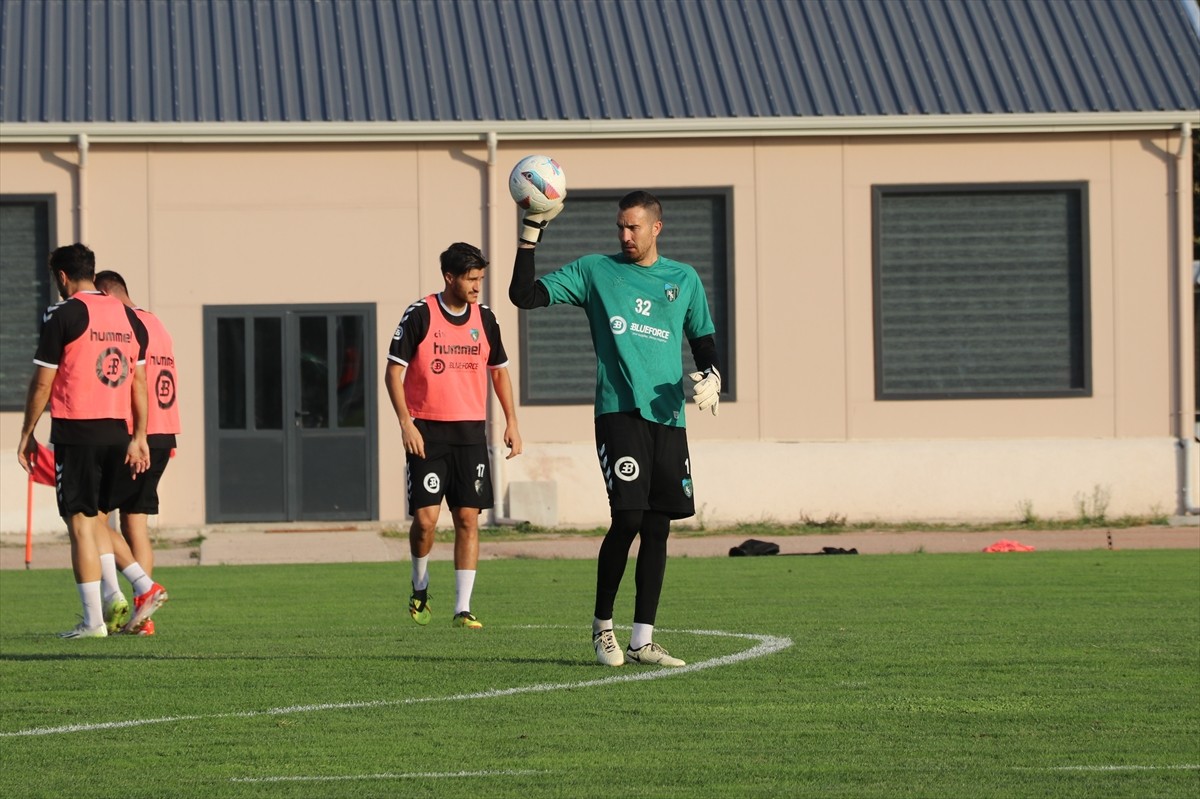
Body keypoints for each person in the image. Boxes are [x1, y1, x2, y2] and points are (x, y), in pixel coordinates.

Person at [509, 190, 721, 668]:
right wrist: (530, 234)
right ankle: (603, 627)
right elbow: (523, 296)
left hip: (667, 416)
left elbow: (702, 338)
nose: (625, 236)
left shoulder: (683, 278)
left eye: (634, 228)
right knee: (627, 518)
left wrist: (713, 374)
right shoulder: (593, 272)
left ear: (656, 228)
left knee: (658, 527)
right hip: (618, 413)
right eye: (620, 228)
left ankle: (642, 640)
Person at [16, 244, 168, 638]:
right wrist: (138, 437)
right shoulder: (129, 317)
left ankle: (92, 621)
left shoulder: (64, 314)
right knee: (98, 520)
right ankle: (141, 584)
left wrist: (27, 433)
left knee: (80, 524)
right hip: (119, 433)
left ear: (62, 277)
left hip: (78, 431)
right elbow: (138, 382)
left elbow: (43, 381)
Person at [385, 242, 523, 630]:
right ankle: (420, 585)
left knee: (467, 518)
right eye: (471, 278)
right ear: (450, 277)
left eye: (481, 278)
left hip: (470, 433)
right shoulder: (421, 314)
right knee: (427, 521)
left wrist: (512, 422)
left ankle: (463, 608)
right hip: (426, 432)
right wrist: (406, 423)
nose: (478, 286)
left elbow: (498, 371)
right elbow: (392, 373)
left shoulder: (486, 319)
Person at [94, 270, 180, 637]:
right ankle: (143, 619)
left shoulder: (122, 324)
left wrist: (135, 435)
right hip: (164, 432)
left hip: (135, 435)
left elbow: (132, 381)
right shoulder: (156, 322)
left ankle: (136, 590)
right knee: (135, 524)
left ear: (104, 293)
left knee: (91, 519)